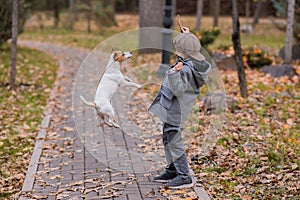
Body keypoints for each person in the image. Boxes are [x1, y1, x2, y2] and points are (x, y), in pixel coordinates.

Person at [148, 27, 211, 189]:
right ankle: (172, 169)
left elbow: (178, 89)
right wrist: (187, 36)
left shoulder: (186, 69)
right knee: (167, 136)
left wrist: (174, 73)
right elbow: (186, 52)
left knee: (174, 138)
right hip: (176, 107)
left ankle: (184, 175)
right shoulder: (194, 62)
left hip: (178, 108)